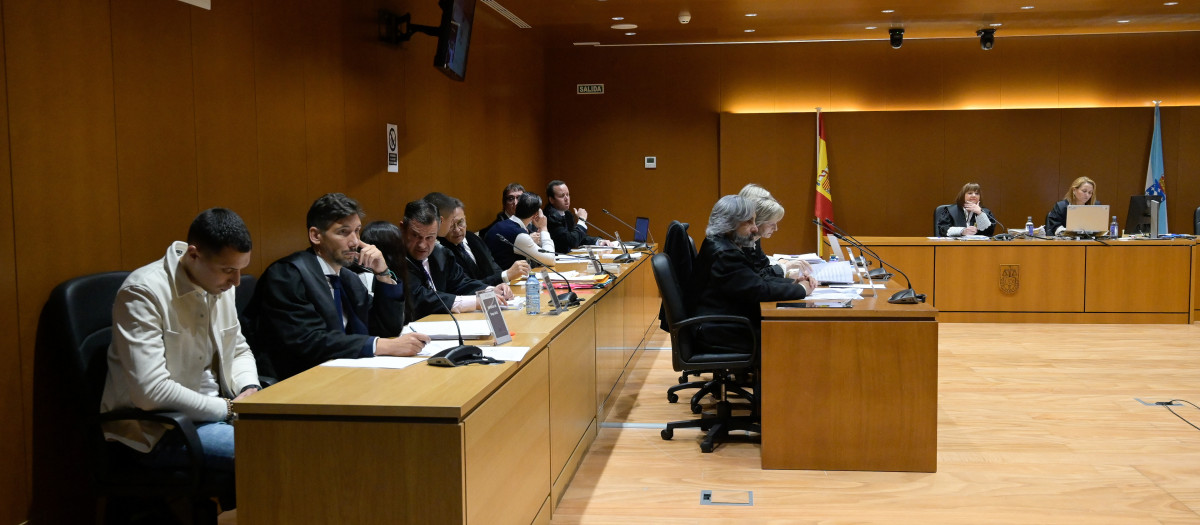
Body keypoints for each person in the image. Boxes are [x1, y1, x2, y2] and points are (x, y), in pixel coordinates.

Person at [100, 208, 261, 506]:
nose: (237, 281)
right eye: (229, 270)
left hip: (219, 411)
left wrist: (248, 390)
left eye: (241, 269)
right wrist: (227, 408)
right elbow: (151, 393)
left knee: (295, 437)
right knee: (269, 453)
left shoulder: (219, 282)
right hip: (160, 429)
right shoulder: (143, 292)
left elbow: (237, 348)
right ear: (194, 255)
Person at [245, 193, 429, 380]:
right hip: (298, 381)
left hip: (345, 375)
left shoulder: (348, 279)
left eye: (357, 231)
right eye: (343, 232)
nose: (355, 241)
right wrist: (380, 346)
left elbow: (386, 328)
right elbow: (309, 341)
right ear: (316, 236)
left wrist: (382, 273)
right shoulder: (287, 275)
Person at [690, 195, 817, 346]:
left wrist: (793, 283)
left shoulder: (722, 244)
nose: (755, 228)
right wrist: (801, 290)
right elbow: (759, 290)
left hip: (721, 321)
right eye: (749, 222)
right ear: (730, 223)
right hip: (717, 329)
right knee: (787, 335)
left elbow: (756, 280)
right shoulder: (726, 254)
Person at [401, 199, 514, 317]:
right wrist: (474, 302)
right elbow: (420, 297)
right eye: (416, 236)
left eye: (430, 237)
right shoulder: (395, 258)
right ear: (403, 228)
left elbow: (460, 284)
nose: (422, 245)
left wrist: (490, 291)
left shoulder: (441, 254)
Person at [424, 192, 530, 286]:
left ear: (465, 219)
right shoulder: (442, 250)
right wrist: (505, 275)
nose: (457, 230)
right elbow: (466, 286)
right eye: (451, 225)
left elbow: (494, 268)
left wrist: (504, 282)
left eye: (460, 222)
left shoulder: (473, 238)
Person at [485, 191, 557, 270]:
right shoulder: (518, 234)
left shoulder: (501, 224)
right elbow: (550, 259)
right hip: (506, 280)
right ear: (536, 214)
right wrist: (544, 228)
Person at [544, 180, 614, 253]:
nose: (566, 199)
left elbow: (578, 237)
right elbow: (572, 241)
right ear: (551, 200)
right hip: (554, 260)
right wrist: (581, 220)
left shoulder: (567, 214)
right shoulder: (550, 217)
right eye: (562, 196)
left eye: (568, 195)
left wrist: (598, 242)